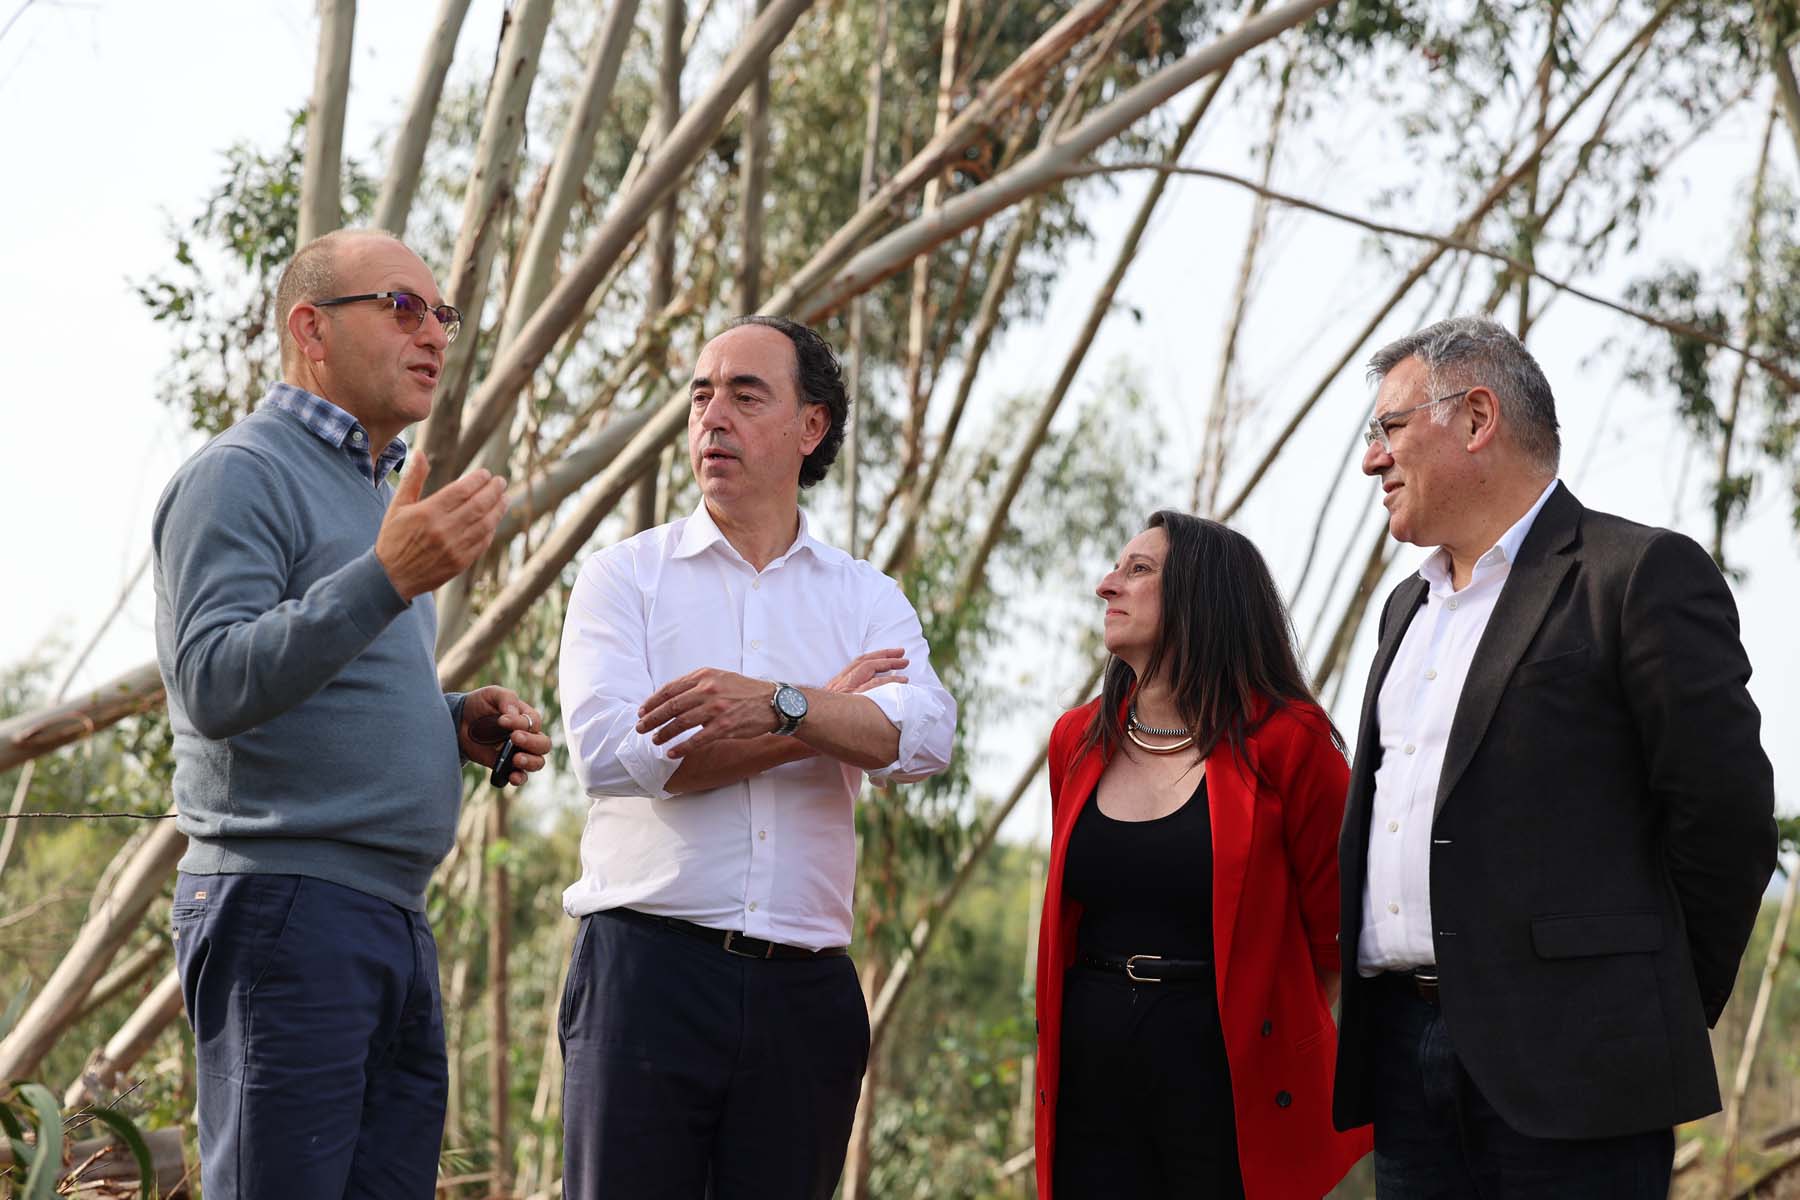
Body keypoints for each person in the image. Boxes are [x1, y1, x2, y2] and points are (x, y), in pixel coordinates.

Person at [1332, 315, 1779, 1196]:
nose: (1372, 460)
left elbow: (1724, 823)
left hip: (1583, 1070)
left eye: (1388, 428)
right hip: (1404, 1065)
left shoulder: (1636, 575)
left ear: (1476, 418)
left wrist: (1645, 1007)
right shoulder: (1402, 611)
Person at [153, 228, 554, 1200]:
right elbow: (211, 681)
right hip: (285, 909)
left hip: (389, 918)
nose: (435, 334)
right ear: (311, 330)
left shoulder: (380, 490)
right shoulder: (240, 474)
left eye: (441, 314)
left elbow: (328, 673)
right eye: (403, 308)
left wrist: (450, 721)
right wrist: (385, 577)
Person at [556, 314, 957, 1199]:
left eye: (745, 395)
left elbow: (924, 737)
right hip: (645, 976)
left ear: (811, 426)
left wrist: (779, 702)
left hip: (805, 997)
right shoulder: (624, 577)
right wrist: (821, 716)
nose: (713, 417)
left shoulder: (866, 595)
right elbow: (615, 757)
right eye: (701, 395)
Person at [1033, 510, 1372, 1199]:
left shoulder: (1290, 741)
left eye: (1138, 570)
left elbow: (1335, 937)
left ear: (1201, 595)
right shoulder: (1076, 739)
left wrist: (1258, 1033)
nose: (1107, 585)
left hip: (1225, 1073)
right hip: (1089, 1061)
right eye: (1116, 568)